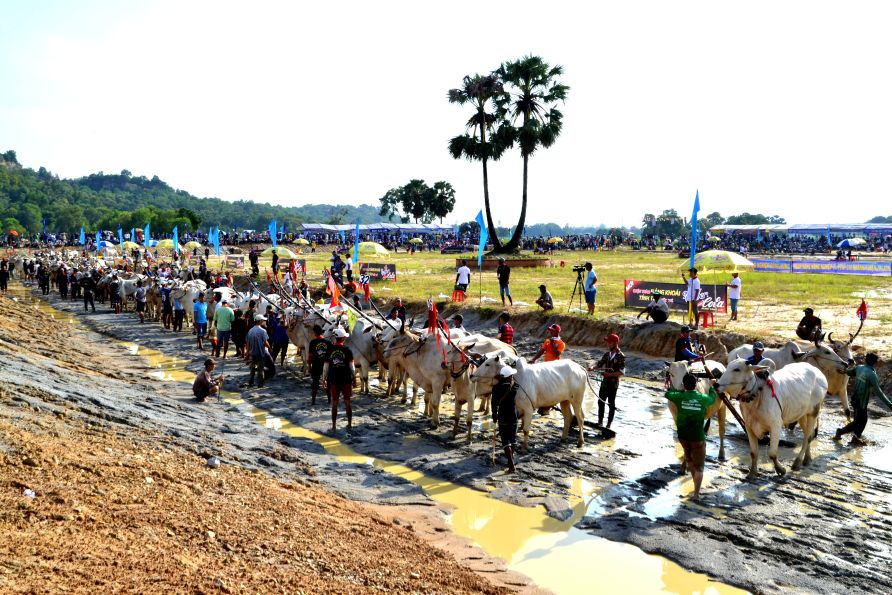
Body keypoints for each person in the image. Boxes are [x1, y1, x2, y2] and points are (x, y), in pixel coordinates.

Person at [663, 373, 718, 500]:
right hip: (697, 438)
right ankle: (696, 495)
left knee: (690, 461)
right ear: (696, 385)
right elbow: (712, 399)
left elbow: (667, 393)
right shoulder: (703, 398)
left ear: (684, 384)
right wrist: (712, 386)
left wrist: (679, 390)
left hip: (682, 437)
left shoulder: (679, 396)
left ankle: (693, 481)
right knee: (699, 467)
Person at [834, 353, 892, 446]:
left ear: (865, 359)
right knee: (859, 421)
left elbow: (849, 372)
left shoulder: (859, 368)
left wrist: (844, 370)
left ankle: (856, 437)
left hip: (855, 399)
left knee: (861, 420)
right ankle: (841, 432)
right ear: (875, 362)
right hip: (861, 401)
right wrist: (890, 405)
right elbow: (879, 392)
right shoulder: (872, 374)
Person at [590, 333, 625, 430]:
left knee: (611, 403)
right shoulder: (606, 354)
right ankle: (600, 422)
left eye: (610, 342)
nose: (608, 344)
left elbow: (622, 372)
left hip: (613, 384)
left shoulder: (621, 356)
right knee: (600, 401)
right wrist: (592, 368)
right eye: (608, 342)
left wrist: (609, 375)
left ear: (615, 343)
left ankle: (609, 424)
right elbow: (600, 364)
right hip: (604, 383)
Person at [324, 327, 355, 431]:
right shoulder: (348, 350)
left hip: (334, 380)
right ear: (343, 339)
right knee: (347, 402)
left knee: (334, 403)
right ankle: (350, 424)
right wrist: (354, 378)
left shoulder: (329, 350)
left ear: (335, 338)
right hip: (346, 379)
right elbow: (352, 368)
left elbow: (326, 368)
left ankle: (333, 426)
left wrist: (324, 379)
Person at [491, 365, 519, 473]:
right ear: (510, 376)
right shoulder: (515, 386)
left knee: (505, 440)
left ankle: (511, 464)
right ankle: (510, 460)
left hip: (502, 416)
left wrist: (494, 415)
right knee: (512, 439)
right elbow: (513, 382)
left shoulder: (496, 387)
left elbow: (493, 403)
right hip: (513, 415)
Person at [308, 324, 331, 405]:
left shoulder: (313, 342)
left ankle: (313, 401)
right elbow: (331, 355)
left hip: (316, 365)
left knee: (315, 383)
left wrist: (309, 366)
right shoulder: (328, 342)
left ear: (314, 332)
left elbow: (310, 356)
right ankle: (329, 400)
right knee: (328, 382)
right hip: (326, 365)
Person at [246, 314, 270, 388]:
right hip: (260, 352)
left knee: (252, 368)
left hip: (252, 352)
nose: (263, 321)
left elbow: (248, 343)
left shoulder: (250, 331)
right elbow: (265, 342)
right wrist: (270, 348)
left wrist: (247, 353)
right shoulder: (263, 331)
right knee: (260, 369)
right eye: (263, 320)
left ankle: (251, 381)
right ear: (260, 321)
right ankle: (260, 384)